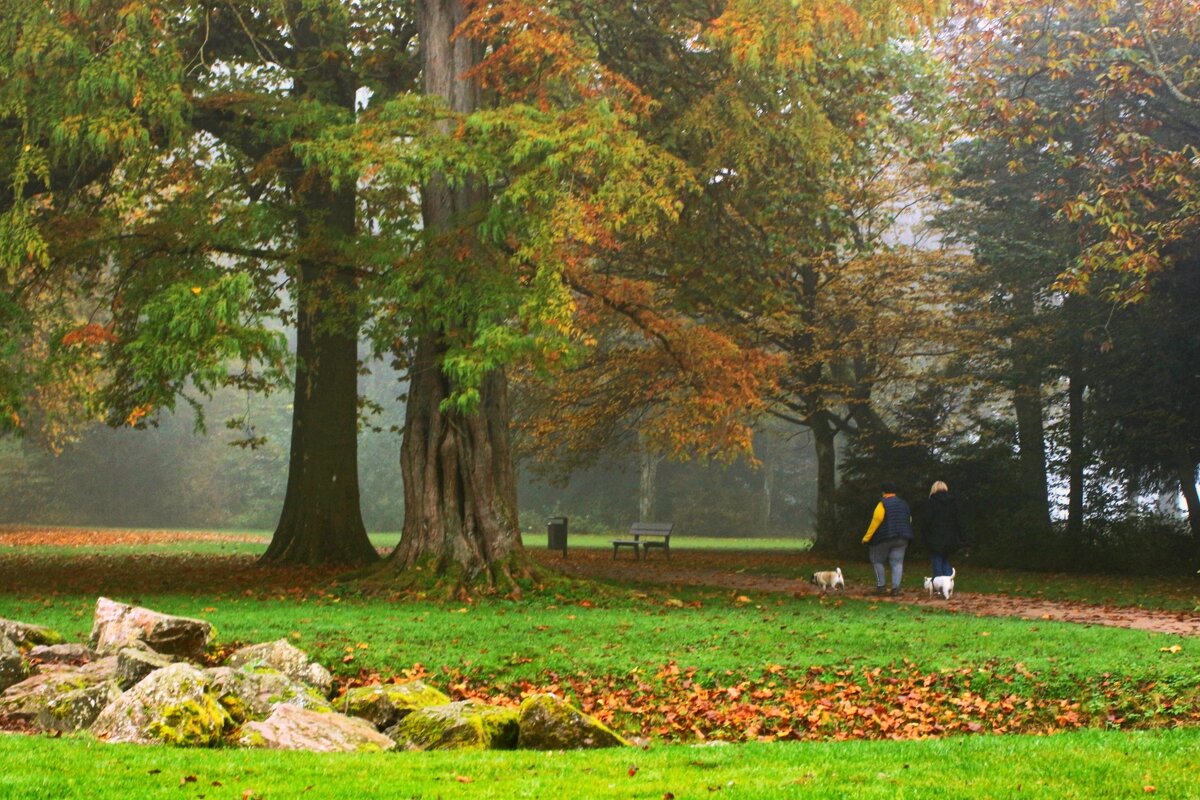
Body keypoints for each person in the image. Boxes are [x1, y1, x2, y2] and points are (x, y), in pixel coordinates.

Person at [861, 482, 913, 596]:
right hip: (903, 537)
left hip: (885, 537)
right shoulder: (904, 504)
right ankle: (896, 589)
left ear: (883, 492)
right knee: (897, 563)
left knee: (877, 560)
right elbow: (908, 519)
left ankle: (881, 587)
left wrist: (867, 537)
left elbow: (876, 521)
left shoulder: (882, 504)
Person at [923, 480, 967, 579]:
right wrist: (962, 537)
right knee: (944, 558)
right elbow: (959, 520)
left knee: (937, 558)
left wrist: (925, 533)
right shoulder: (953, 502)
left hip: (935, 536)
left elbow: (927, 520)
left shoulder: (931, 502)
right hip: (951, 536)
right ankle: (948, 580)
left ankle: (939, 583)